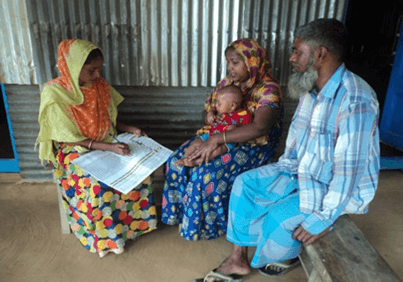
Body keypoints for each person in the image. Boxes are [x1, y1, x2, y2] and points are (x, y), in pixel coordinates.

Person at [196, 18, 380, 282]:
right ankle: (237, 259)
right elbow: (294, 146)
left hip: (334, 188)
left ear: (320, 54)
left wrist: (323, 218)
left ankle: (285, 254)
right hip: (301, 171)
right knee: (245, 184)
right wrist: (279, 177)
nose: (292, 57)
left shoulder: (356, 99)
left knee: (277, 218)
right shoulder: (310, 90)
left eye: (297, 51)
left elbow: (348, 173)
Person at [36, 39, 158, 257]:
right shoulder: (55, 93)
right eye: (91, 70)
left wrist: (131, 129)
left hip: (106, 140)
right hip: (74, 148)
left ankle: (133, 227)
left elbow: (108, 122)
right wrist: (108, 147)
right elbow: (66, 137)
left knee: (140, 171)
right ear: (73, 67)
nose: (97, 75)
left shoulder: (100, 87)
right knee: (96, 184)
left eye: (99, 69)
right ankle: (105, 240)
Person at [162, 39, 284, 241]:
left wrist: (220, 138)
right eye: (228, 62)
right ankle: (180, 214)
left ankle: (207, 226)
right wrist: (210, 117)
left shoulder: (268, 90)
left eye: (235, 62)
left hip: (253, 145)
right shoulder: (227, 84)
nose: (230, 68)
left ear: (252, 62)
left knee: (204, 174)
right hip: (217, 132)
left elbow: (260, 127)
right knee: (175, 161)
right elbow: (208, 109)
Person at [175, 85, 252, 167]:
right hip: (212, 133)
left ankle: (197, 162)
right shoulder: (221, 110)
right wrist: (211, 114)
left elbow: (246, 130)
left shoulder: (244, 115)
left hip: (227, 141)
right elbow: (211, 109)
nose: (216, 105)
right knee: (197, 141)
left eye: (218, 103)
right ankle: (186, 158)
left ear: (232, 106)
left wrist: (235, 129)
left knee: (217, 151)